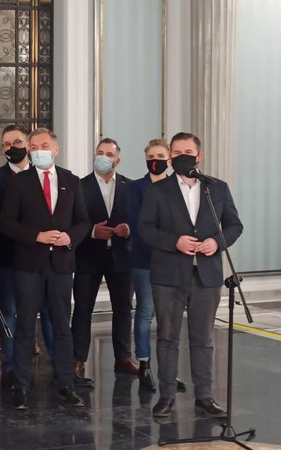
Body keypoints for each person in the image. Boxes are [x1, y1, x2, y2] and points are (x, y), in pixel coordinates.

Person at [139, 132, 243, 418]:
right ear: (171, 157)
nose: (181, 156)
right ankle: (167, 396)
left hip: (206, 275)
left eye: (187, 152)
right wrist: (175, 241)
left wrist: (216, 243)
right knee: (167, 338)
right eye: (176, 152)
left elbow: (234, 226)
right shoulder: (159, 190)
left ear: (199, 156)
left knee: (203, 339)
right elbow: (145, 228)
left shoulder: (216, 188)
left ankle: (204, 397)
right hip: (169, 275)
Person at [0, 127, 90, 410]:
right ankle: (21, 386)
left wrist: (69, 238)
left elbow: (84, 221)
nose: (38, 151)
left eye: (44, 146)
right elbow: (7, 223)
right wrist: (36, 236)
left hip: (61, 265)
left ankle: (66, 385)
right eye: (34, 147)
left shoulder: (71, 181)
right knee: (26, 326)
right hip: (29, 265)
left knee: (62, 326)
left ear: (55, 149)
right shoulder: (20, 182)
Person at [0, 125, 55, 390]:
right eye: (6, 144)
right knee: (10, 311)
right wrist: (24, 231)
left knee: (48, 310)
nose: (12, 148)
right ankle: (11, 368)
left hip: (41, 256)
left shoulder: (44, 175)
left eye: (17, 142)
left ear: (27, 143)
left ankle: (59, 366)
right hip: (8, 256)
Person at [71, 138, 136, 386]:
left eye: (109, 154)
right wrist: (91, 231)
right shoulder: (79, 185)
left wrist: (128, 229)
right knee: (83, 308)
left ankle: (123, 357)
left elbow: (139, 219)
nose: (104, 157)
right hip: (88, 255)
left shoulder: (130, 187)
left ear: (117, 160)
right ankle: (78, 358)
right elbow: (73, 219)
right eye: (100, 152)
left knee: (123, 308)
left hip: (122, 255)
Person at [126, 139, 186, 393]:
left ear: (169, 160)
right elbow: (138, 224)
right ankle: (144, 364)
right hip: (144, 259)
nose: (155, 161)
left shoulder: (179, 186)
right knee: (145, 312)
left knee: (169, 317)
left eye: (160, 156)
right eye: (151, 157)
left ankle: (169, 371)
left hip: (173, 260)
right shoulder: (135, 188)